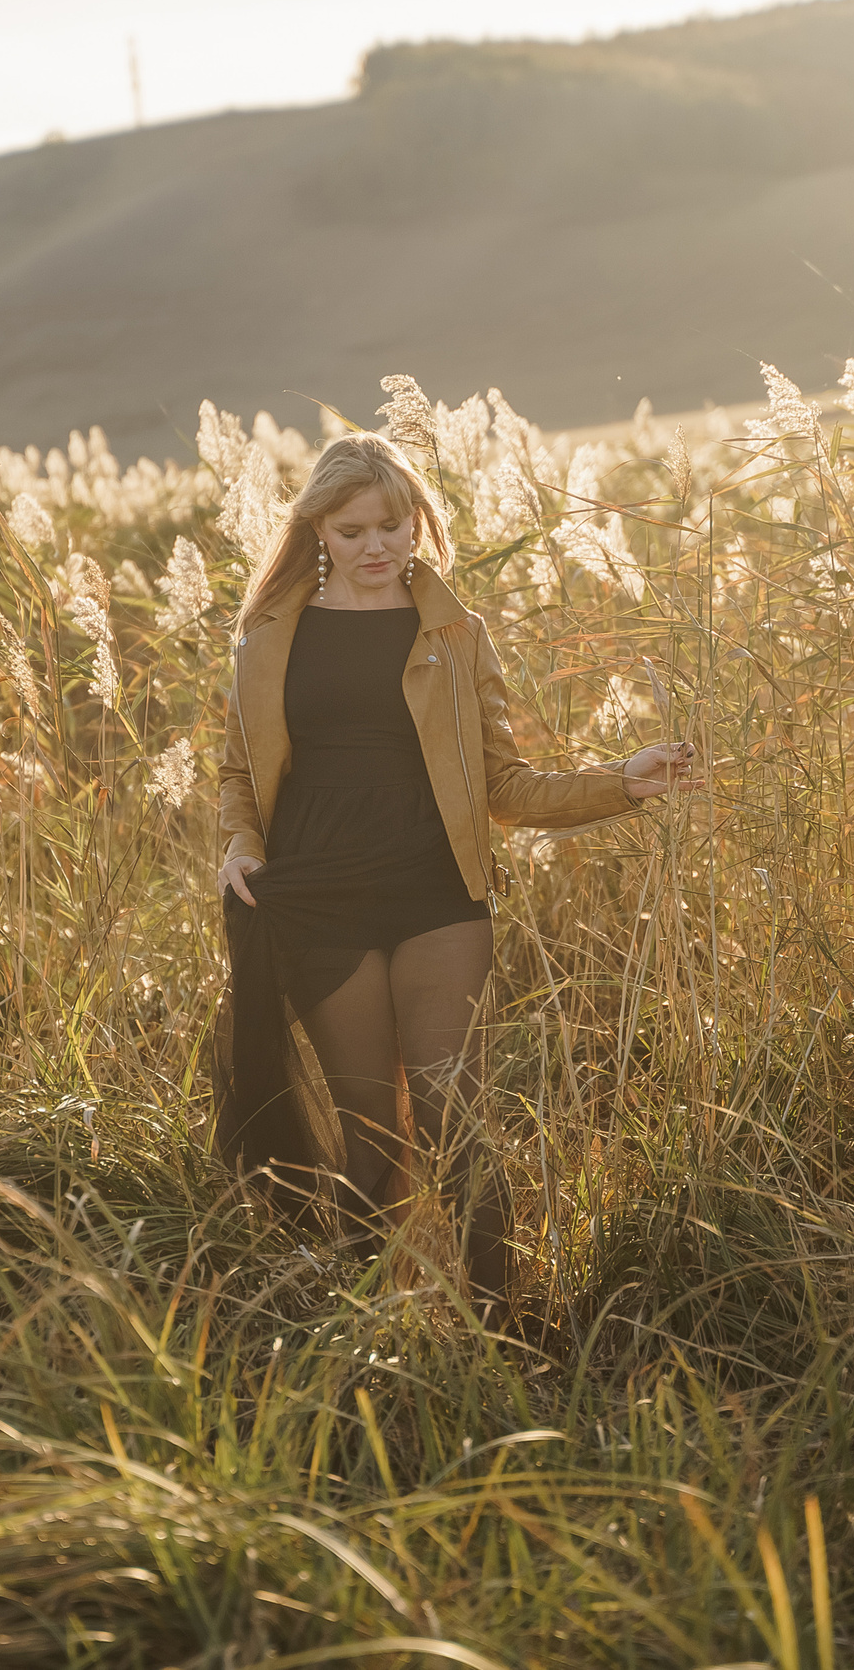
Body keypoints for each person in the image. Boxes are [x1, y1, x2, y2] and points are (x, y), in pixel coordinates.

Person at [213, 430, 695, 1321]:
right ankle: (375, 1329)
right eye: (354, 528)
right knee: (370, 1138)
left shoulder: (454, 632)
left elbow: (503, 783)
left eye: (393, 524)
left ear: (415, 521)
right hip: (318, 896)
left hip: (437, 889)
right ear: (319, 528)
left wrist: (620, 783)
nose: (376, 545)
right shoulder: (267, 635)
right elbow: (241, 774)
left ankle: (507, 1324)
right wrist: (241, 849)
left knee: (451, 1113)